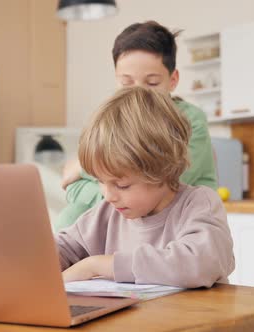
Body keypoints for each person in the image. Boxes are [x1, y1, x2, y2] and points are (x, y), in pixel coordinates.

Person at [56, 86, 234, 288]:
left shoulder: (199, 204)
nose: (108, 195)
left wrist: (97, 265)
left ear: (163, 170)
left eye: (122, 185)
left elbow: (200, 263)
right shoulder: (106, 213)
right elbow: (64, 247)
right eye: (101, 181)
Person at [55, 21, 218, 231]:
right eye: (126, 84)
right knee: (72, 219)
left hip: (181, 228)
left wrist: (84, 169)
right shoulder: (117, 120)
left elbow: (159, 185)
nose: (138, 93)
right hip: (133, 225)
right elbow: (73, 187)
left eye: (152, 83)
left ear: (173, 79)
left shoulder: (190, 120)